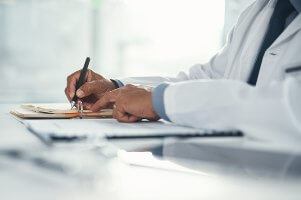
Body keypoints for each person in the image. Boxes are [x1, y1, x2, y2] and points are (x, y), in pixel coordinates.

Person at [65, 0, 301, 143]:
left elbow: (291, 106)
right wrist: (115, 89)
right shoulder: (259, 12)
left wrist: (161, 101)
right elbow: (205, 80)